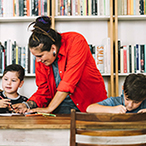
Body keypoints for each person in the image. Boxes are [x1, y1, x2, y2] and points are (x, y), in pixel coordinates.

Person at [13, 16, 107, 114]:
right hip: (61, 106)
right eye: (35, 56)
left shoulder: (76, 41)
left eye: (40, 56)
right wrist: (27, 105)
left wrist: (49, 109)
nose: (38, 60)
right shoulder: (41, 61)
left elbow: (68, 82)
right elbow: (44, 91)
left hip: (91, 105)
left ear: (53, 48)